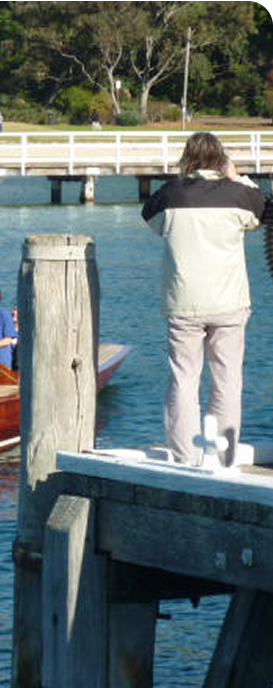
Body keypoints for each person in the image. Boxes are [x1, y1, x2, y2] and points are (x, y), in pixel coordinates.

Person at [141, 131, 267, 466]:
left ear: (187, 158)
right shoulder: (239, 194)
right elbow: (264, 212)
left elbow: (149, 216)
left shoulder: (171, 194)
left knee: (184, 379)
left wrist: (181, 179)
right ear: (221, 159)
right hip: (229, 302)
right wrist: (239, 177)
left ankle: (186, 458)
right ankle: (221, 456)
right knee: (227, 381)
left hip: (183, 302)